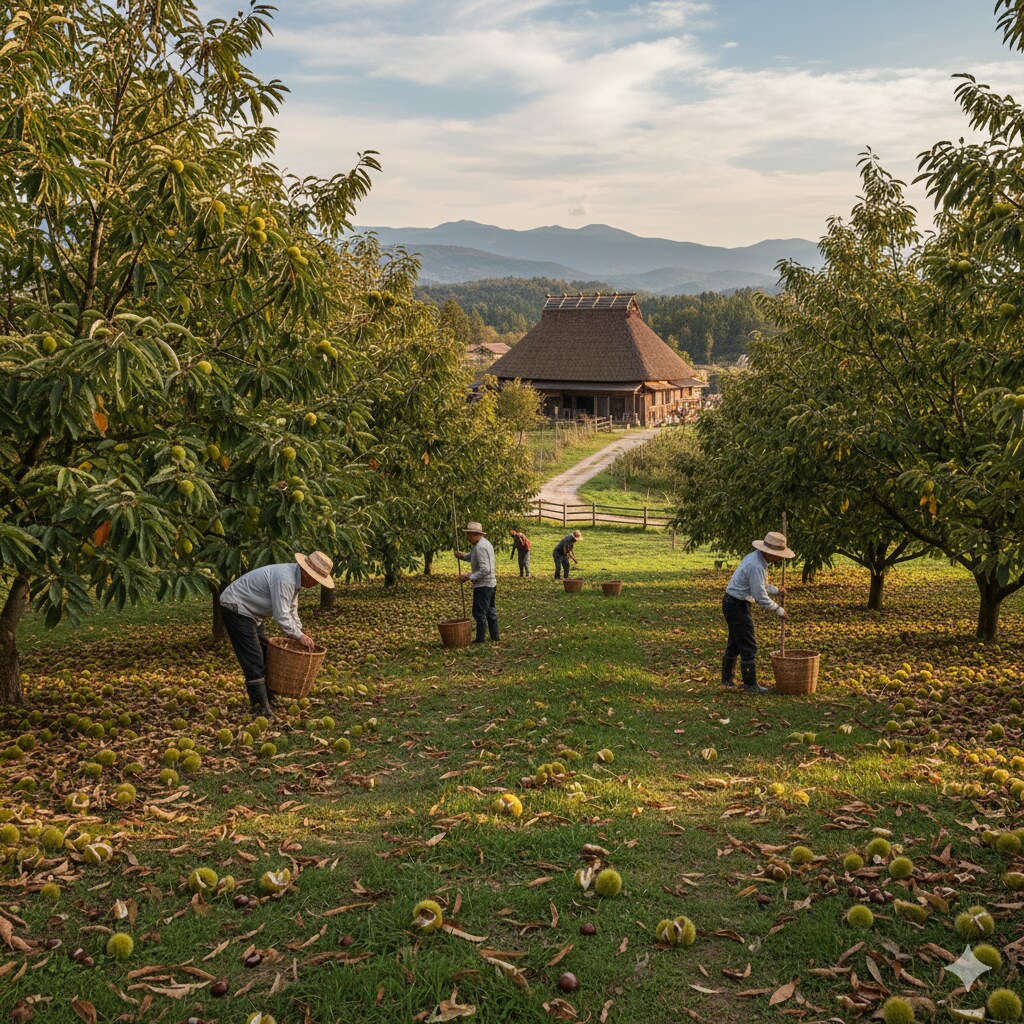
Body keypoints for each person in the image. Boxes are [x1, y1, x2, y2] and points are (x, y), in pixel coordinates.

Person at [219, 551, 334, 715]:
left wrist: (299, 631)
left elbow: (291, 609)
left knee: (267, 653)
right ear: (307, 574)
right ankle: (260, 707)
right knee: (254, 657)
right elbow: (281, 615)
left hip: (252, 613)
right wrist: (298, 636)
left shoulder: (295, 580)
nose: (316, 584)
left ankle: (269, 698)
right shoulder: (285, 579)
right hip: (237, 607)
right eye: (317, 580)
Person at [721, 531, 794, 693]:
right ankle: (749, 684)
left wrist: (775, 590)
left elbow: (759, 585)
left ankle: (726, 681)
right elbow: (759, 595)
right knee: (749, 646)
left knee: (734, 643)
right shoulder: (757, 565)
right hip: (737, 605)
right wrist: (778, 610)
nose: (779, 558)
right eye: (778, 555)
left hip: (732, 602)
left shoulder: (755, 558)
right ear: (769, 552)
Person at [454, 521, 498, 643]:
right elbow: (473, 557)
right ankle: (495, 636)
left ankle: (480, 639)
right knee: (490, 610)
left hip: (483, 585)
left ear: (474, 534)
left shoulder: (480, 548)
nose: (467, 537)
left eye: (468, 535)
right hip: (491, 584)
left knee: (479, 612)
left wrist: (469, 577)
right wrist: (462, 556)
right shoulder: (484, 544)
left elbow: (485, 569)